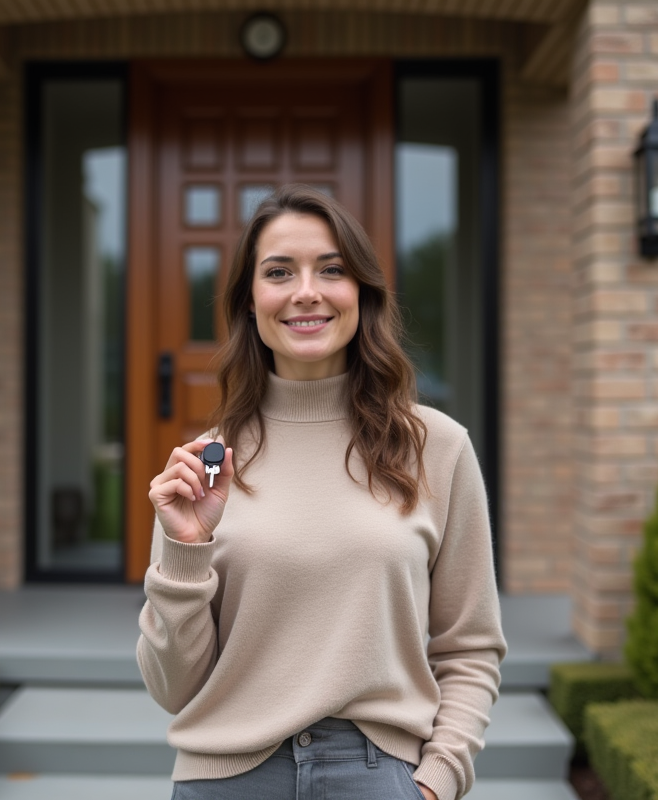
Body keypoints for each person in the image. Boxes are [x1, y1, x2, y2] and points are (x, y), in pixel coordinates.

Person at [138, 184, 506, 800]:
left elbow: (470, 646)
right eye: (279, 272)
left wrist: (437, 781)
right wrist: (185, 552)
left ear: (361, 293)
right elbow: (172, 688)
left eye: (331, 269)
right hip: (225, 780)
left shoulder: (435, 448)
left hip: (377, 774)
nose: (306, 291)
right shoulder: (206, 466)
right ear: (250, 301)